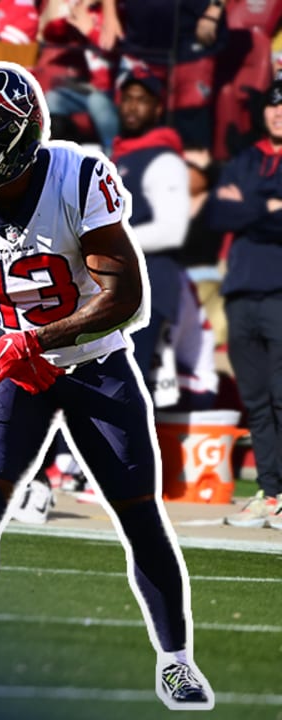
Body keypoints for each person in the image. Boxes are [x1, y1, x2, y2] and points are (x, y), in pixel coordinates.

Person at [0, 62, 212, 710]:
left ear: (15, 141)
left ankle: (178, 661)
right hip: (14, 368)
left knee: (138, 514)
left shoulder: (76, 176)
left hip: (95, 363)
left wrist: (37, 339)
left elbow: (125, 293)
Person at [205, 77, 282, 529]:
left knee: (280, 396)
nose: (277, 112)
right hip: (241, 293)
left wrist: (246, 204)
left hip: (279, 294)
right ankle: (271, 493)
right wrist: (268, 206)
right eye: (272, 105)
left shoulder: (245, 174)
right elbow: (218, 213)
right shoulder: (245, 159)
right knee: (255, 399)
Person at [111, 66, 190, 379]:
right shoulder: (120, 155)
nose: (132, 106)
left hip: (148, 288)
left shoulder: (163, 158)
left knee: (130, 386)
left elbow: (172, 230)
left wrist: (106, 239)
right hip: (118, 289)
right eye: (127, 98)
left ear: (158, 108)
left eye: (142, 99)